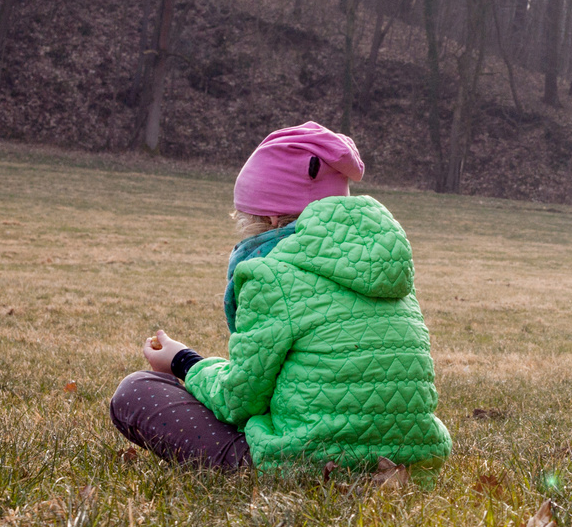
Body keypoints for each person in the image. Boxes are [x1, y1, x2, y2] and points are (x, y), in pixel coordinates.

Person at [109, 121, 451, 482]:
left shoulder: (269, 275)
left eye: (247, 223)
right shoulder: (390, 272)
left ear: (271, 218)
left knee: (136, 391)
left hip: (308, 469)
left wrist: (183, 361)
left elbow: (239, 401)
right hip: (409, 467)